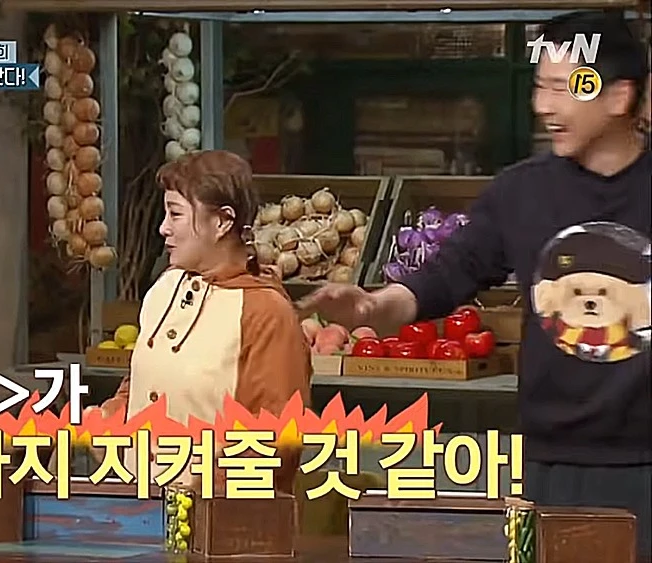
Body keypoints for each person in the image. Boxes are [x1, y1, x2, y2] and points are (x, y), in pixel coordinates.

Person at [299, 10, 651, 558]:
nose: (544, 106)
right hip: (550, 465)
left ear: (619, 96)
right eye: (540, 87)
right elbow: (446, 275)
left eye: (563, 88)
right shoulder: (519, 194)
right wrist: (372, 308)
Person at [89, 150, 312, 497]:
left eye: (175, 214)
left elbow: (277, 438)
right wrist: (106, 421)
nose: (163, 227)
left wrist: (207, 480)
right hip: (139, 507)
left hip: (220, 518)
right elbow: (141, 386)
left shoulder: (265, 313)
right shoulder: (166, 287)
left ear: (222, 222)